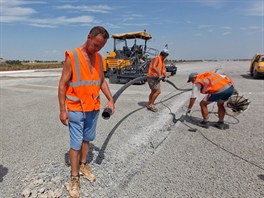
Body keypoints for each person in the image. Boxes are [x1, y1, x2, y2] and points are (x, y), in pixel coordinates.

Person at [58, 26, 115, 198]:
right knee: (75, 143)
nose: (97, 49)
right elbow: (62, 85)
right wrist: (62, 110)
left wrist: (110, 99)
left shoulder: (99, 58)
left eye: (101, 47)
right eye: (96, 44)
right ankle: (74, 178)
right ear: (89, 37)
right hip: (76, 108)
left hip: (93, 107)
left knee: (87, 139)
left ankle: (83, 165)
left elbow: (101, 81)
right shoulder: (73, 56)